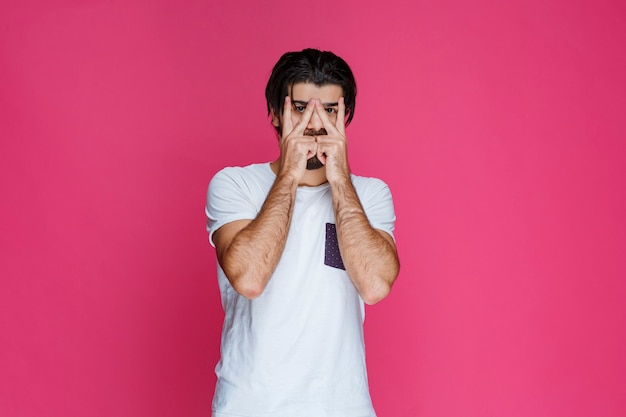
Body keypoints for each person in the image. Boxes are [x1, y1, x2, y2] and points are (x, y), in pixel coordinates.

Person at [205, 48, 400, 417]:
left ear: (346, 118)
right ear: (276, 114)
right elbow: (249, 278)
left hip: (344, 408)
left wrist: (339, 178)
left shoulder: (370, 195)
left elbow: (375, 286)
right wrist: (290, 175)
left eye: (329, 111)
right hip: (250, 407)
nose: (315, 124)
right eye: (300, 108)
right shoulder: (236, 185)